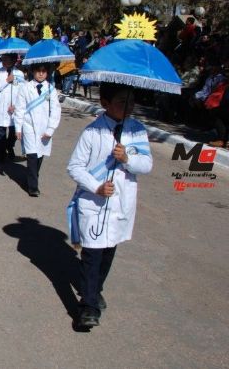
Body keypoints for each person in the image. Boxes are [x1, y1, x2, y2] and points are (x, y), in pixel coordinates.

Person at [66, 82, 153, 327]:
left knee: (107, 252)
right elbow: (75, 167)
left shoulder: (137, 131)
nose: (128, 107)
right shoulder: (92, 132)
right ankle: (88, 307)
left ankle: (95, 290)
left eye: (131, 101)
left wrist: (127, 158)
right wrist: (96, 187)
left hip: (120, 204)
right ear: (105, 103)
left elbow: (146, 165)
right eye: (122, 102)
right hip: (93, 203)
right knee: (92, 254)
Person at [13, 63, 61, 196]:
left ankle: (32, 176)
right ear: (32, 72)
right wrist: (18, 127)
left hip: (44, 128)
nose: (41, 74)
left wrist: (50, 129)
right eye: (38, 71)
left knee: (40, 156)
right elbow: (20, 108)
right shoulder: (25, 88)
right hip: (28, 126)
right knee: (32, 156)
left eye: (44, 71)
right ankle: (33, 187)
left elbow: (55, 111)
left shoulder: (51, 89)